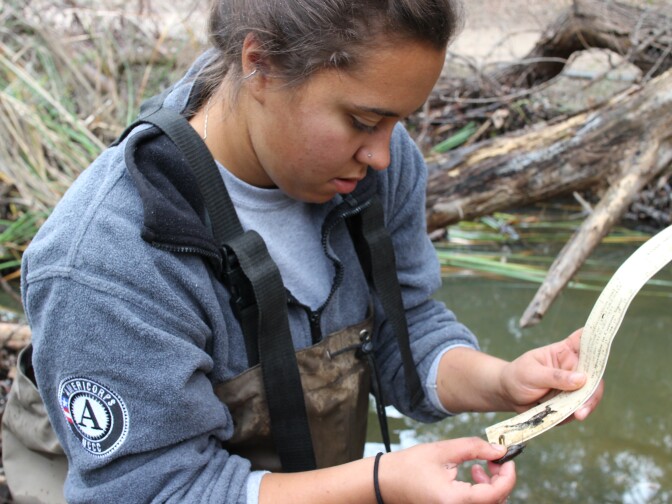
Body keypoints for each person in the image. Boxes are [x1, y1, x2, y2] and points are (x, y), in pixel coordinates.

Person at [2, 0, 604, 502]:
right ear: (258, 63)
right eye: (364, 120)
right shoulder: (106, 260)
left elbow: (405, 327)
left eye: (398, 122)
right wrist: (379, 481)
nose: (385, 156)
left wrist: (503, 381)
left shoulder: (374, 173)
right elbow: (156, 488)